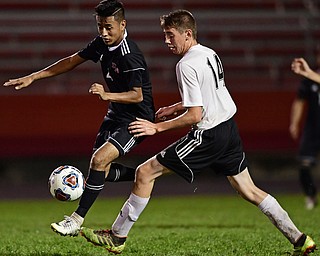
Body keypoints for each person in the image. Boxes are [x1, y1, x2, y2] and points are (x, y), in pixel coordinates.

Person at [80, 9, 316, 255]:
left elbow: (195, 115)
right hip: (228, 129)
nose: (167, 41)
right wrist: (173, 107)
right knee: (250, 190)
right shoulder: (209, 53)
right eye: (165, 35)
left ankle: (117, 237)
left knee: (145, 172)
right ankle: (300, 239)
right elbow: (209, 94)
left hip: (208, 134)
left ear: (188, 34)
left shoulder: (185, 65)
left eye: (171, 36)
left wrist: (156, 127)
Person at [3, 0, 155, 236]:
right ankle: (146, 173)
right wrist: (34, 76)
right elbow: (72, 61)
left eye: (108, 27)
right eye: (99, 26)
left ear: (123, 24)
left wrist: (106, 94)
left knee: (98, 161)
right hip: (116, 114)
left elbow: (137, 96)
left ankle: (76, 220)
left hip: (137, 120)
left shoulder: (130, 55)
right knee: (99, 170)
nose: (103, 33)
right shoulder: (102, 44)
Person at [290, 53, 320, 210]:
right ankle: (310, 195)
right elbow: (299, 101)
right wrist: (294, 123)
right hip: (313, 129)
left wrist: (306, 72)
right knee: (304, 164)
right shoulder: (309, 82)